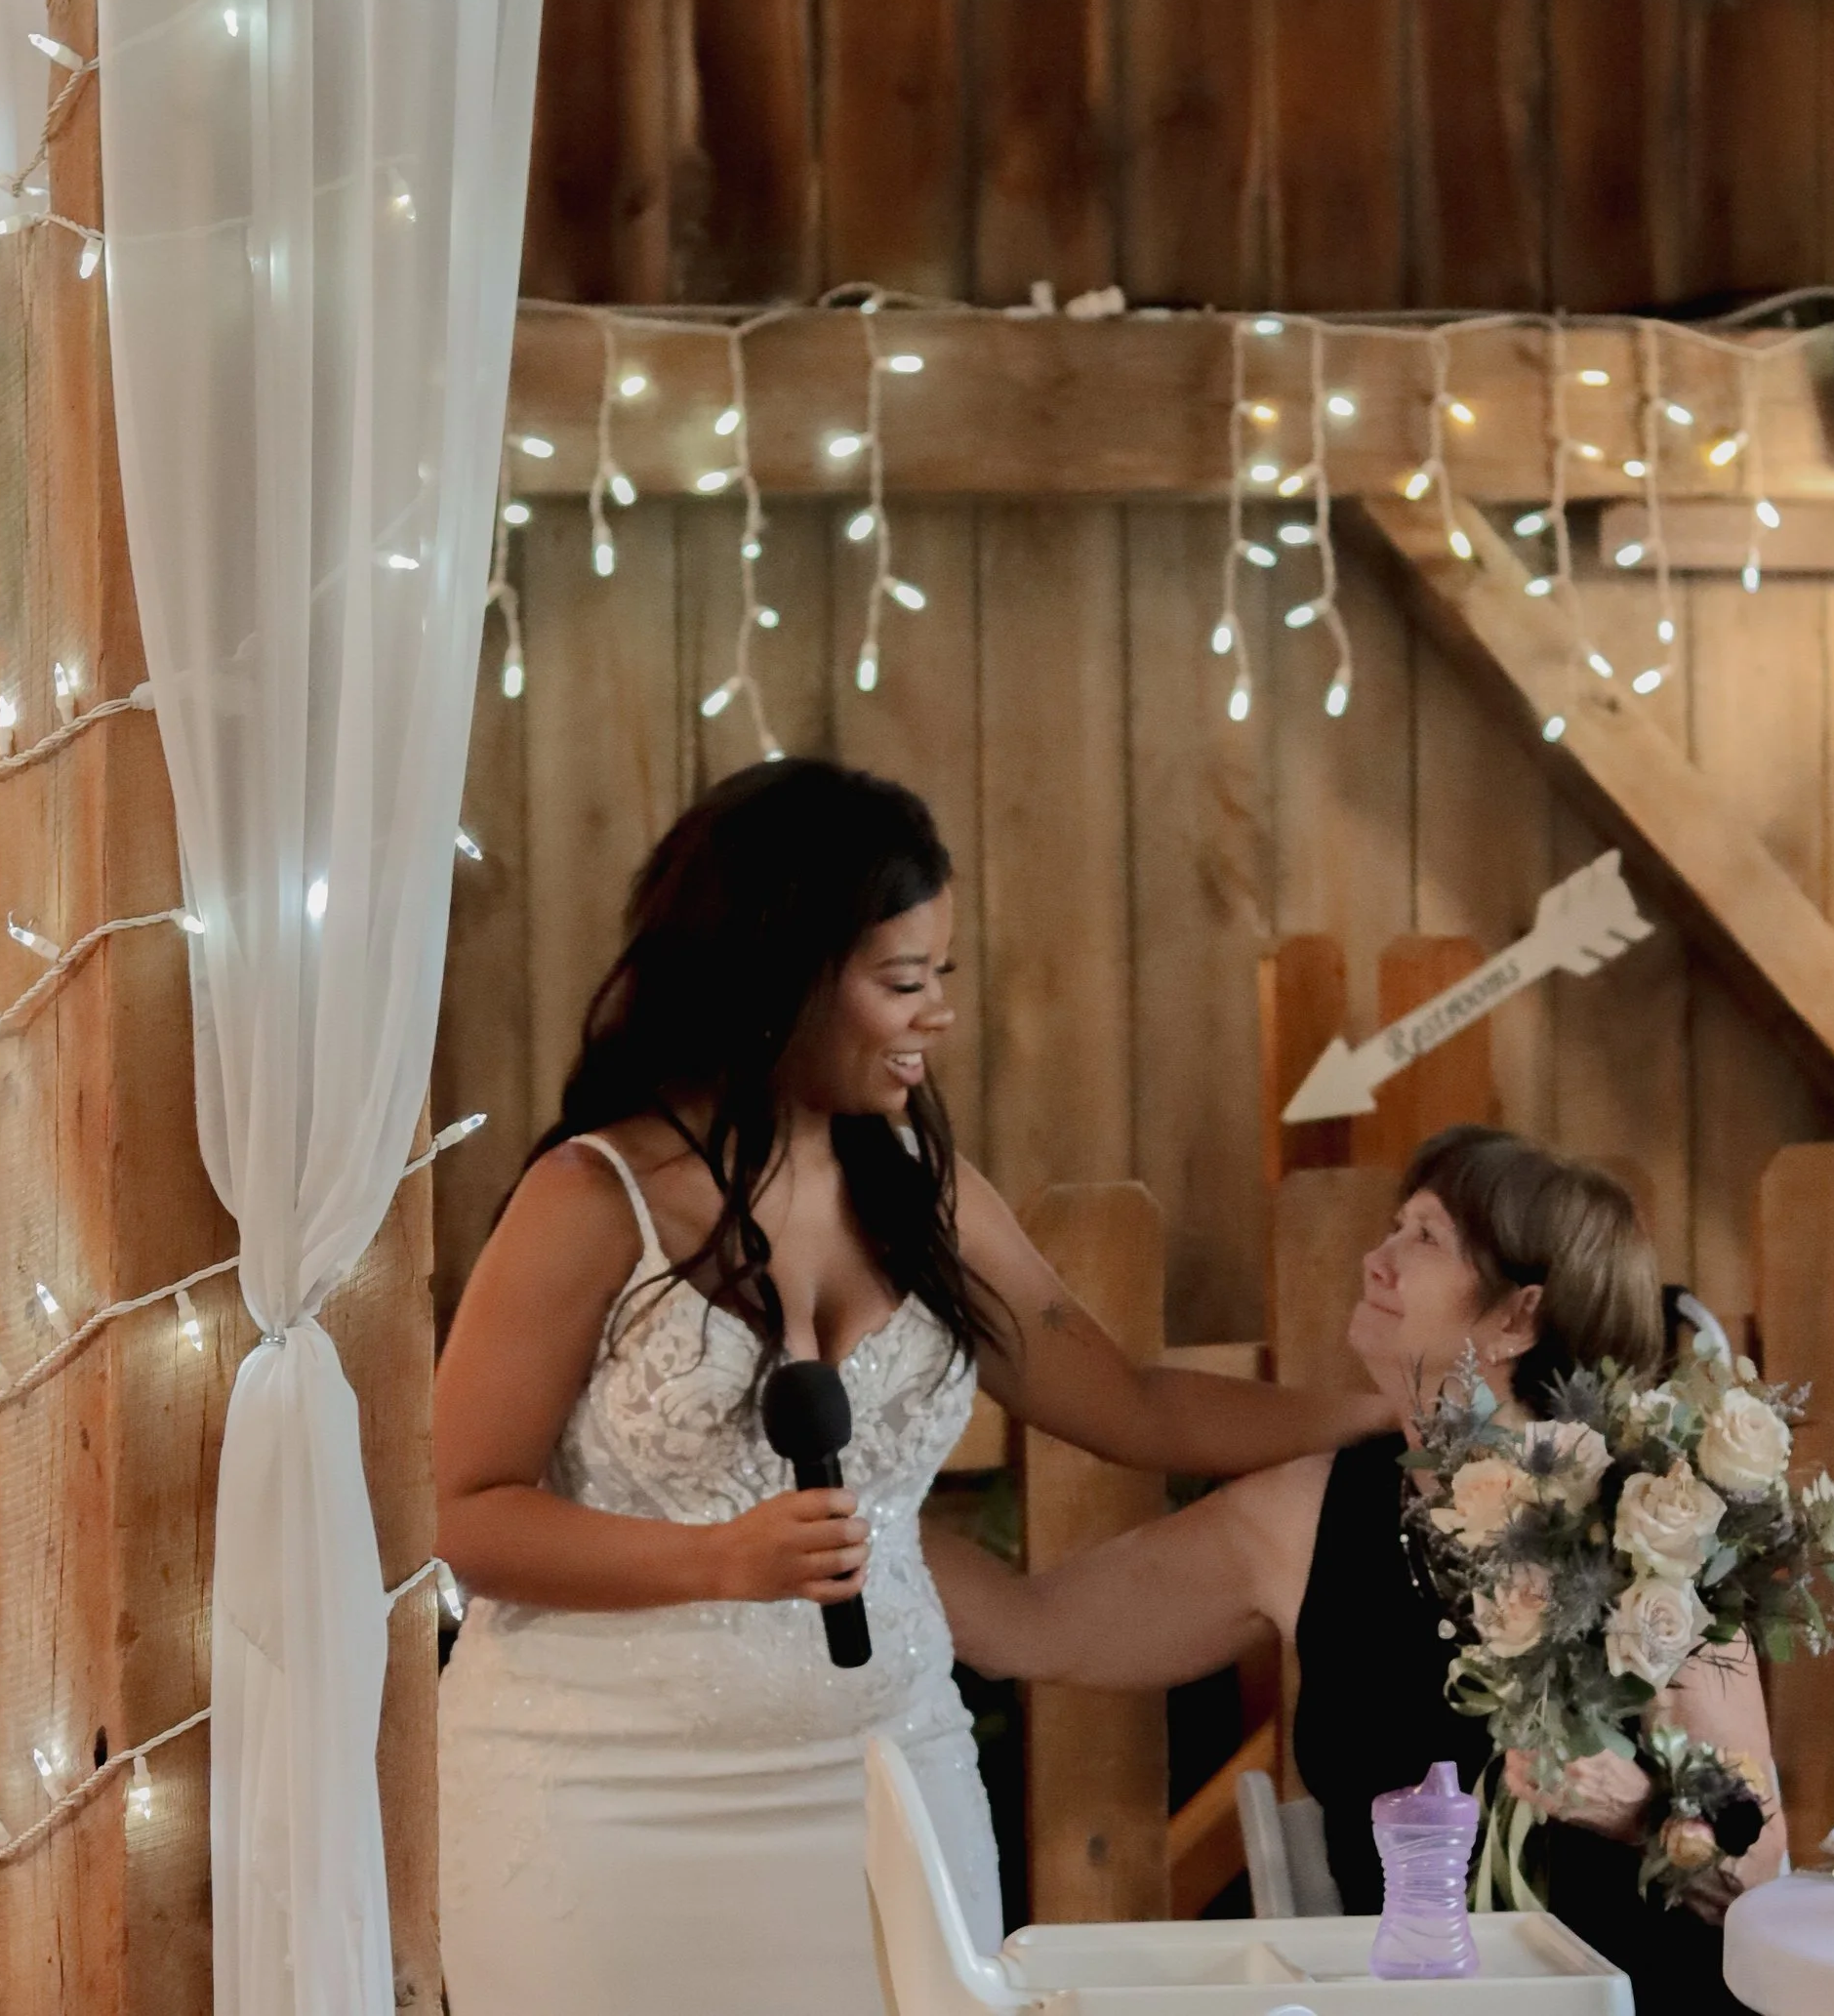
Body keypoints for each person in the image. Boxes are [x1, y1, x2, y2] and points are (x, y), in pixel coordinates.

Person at [432, 759, 1393, 2016]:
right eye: (901, 980)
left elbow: (1134, 1406)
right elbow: (459, 1509)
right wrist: (718, 1559)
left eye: (942, 972)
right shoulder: (588, 1197)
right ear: (778, 974)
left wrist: (1390, 1413)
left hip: (884, 1774)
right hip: (598, 1798)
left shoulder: (924, 1190)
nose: (937, 1011)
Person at [928, 1127, 1785, 2016]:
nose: (1379, 1259)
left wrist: (1637, 1808)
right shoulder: (1305, 1516)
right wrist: (864, 1516)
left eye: (1427, 1238)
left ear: (1518, 1316)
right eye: (1394, 1228)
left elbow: (1758, 1863)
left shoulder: (1651, 1520)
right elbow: (1028, 1629)